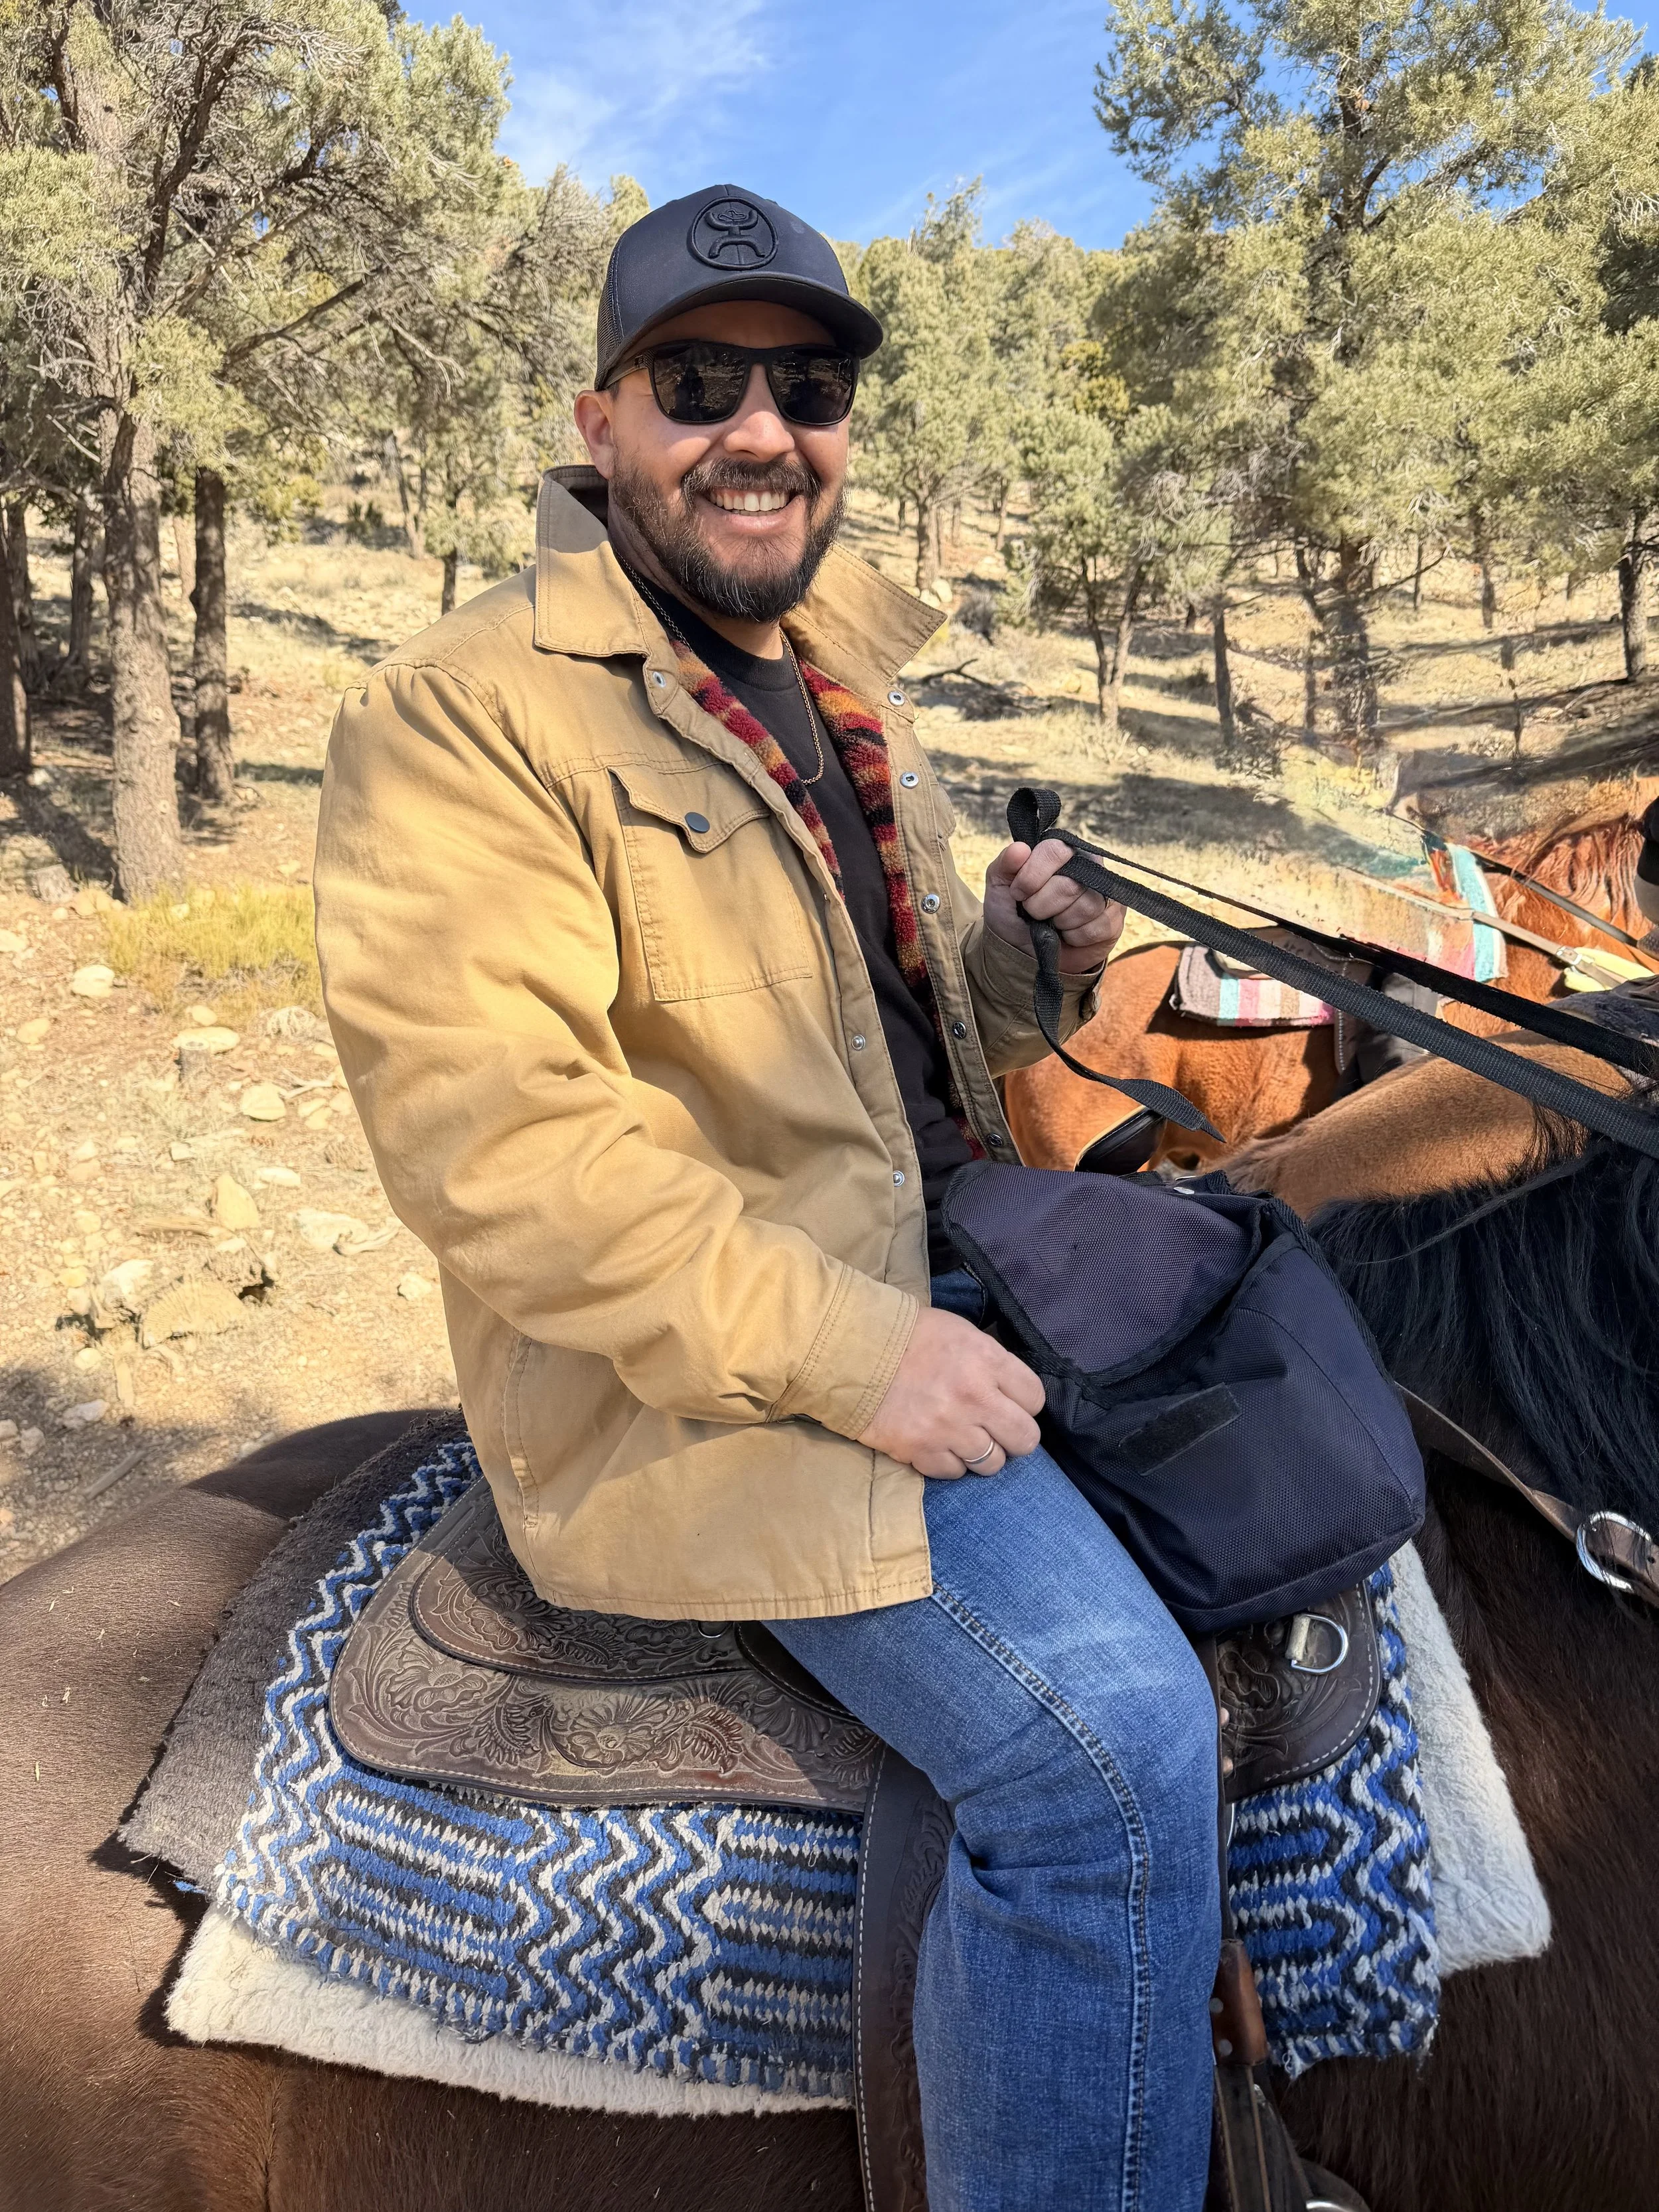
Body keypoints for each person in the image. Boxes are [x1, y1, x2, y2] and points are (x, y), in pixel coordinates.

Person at [314, 184, 1219, 2211]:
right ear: (600, 414)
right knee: (1110, 1760)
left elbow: (867, 1060)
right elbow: (498, 1138)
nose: (759, 429)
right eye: (697, 380)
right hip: (719, 1389)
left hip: (951, 1274)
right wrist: (855, 1352)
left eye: (802, 388)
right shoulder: (464, 708)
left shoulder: (827, 676)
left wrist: (1012, 963)